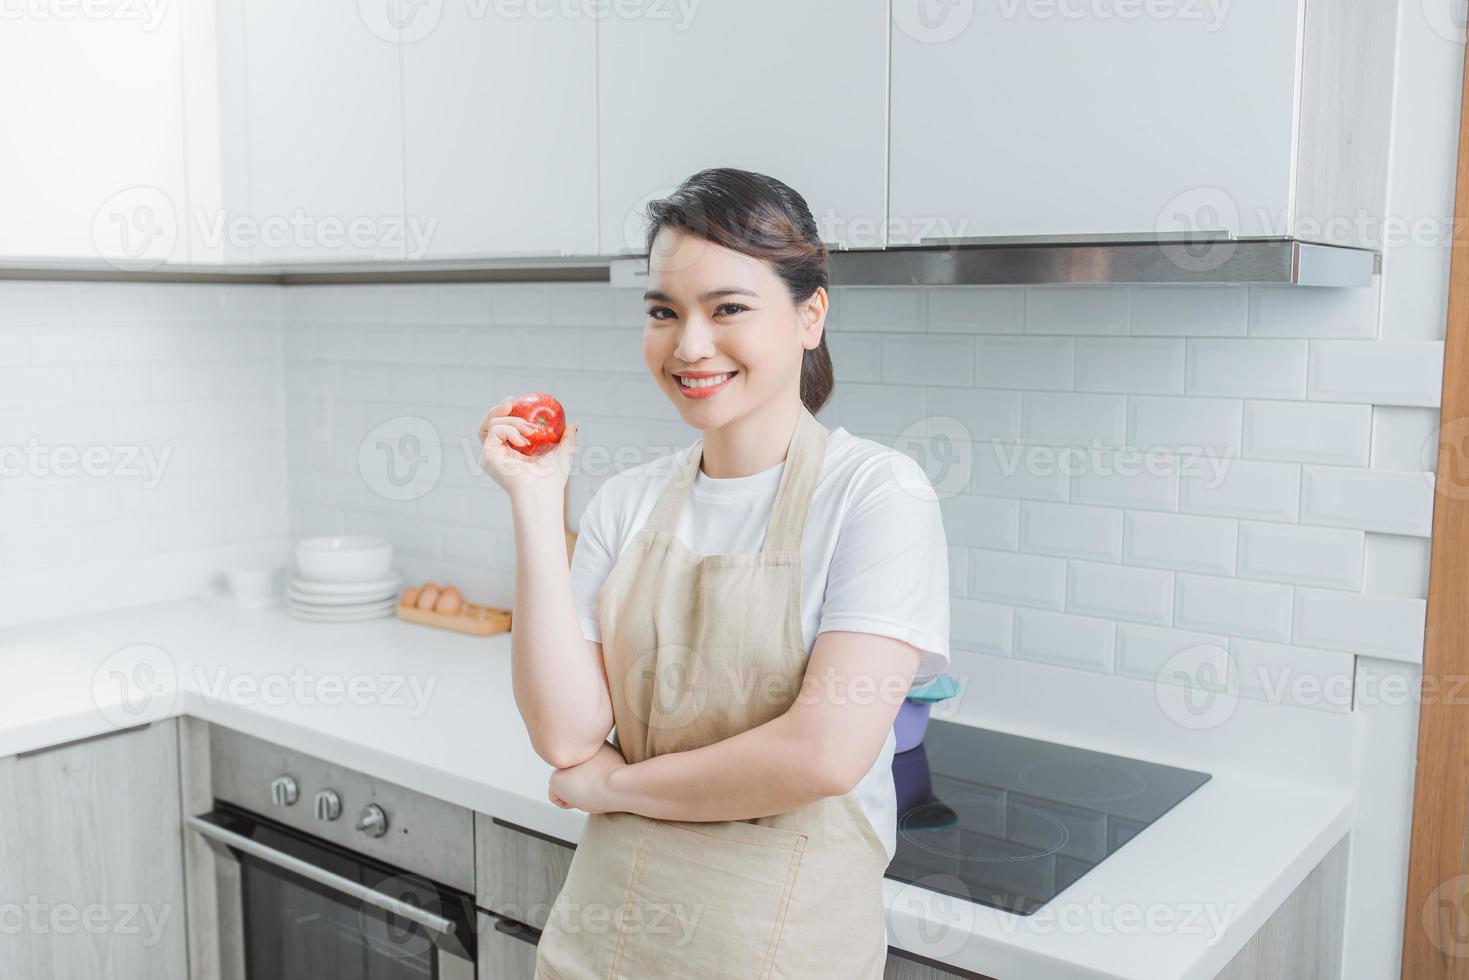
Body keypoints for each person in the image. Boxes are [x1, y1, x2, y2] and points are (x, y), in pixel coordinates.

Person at [477, 167, 951, 979]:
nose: (688, 345)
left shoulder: (876, 495)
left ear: (810, 315)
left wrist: (612, 789)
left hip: (783, 950)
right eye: (664, 312)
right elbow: (564, 735)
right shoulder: (627, 501)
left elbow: (821, 755)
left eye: (727, 308)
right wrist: (534, 498)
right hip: (606, 944)